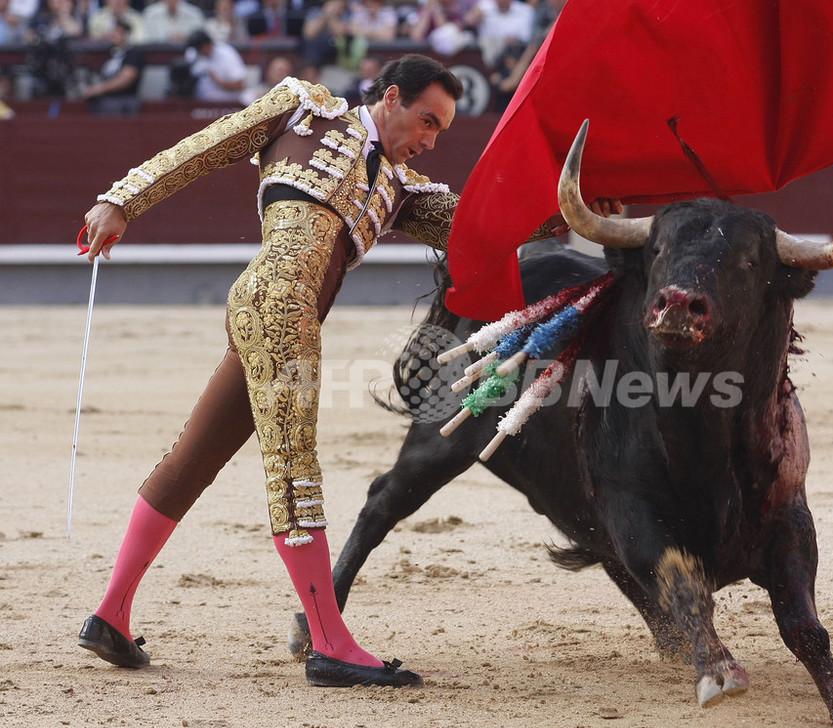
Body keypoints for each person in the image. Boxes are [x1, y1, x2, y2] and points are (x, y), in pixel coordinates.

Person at [78, 52, 611, 689]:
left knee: (193, 457)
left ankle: (110, 615)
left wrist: (573, 207)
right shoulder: (305, 108)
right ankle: (329, 643)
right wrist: (121, 201)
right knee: (295, 468)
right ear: (390, 97)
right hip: (279, 310)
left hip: (276, 314)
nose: (430, 140)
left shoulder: (402, 190)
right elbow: (205, 146)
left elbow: (483, 229)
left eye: (441, 129)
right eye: (426, 121)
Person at [79, 19, 145, 114]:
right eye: (112, 32)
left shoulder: (133, 54)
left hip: (123, 102)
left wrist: (98, 89)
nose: (113, 35)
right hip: (106, 100)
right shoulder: (111, 54)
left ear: (127, 35)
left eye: (118, 32)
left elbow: (126, 79)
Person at [184, 27, 246, 102]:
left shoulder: (227, 53)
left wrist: (218, 81)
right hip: (198, 101)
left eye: (200, 50)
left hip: (225, 101)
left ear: (207, 45)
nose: (199, 53)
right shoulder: (192, 53)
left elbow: (240, 85)